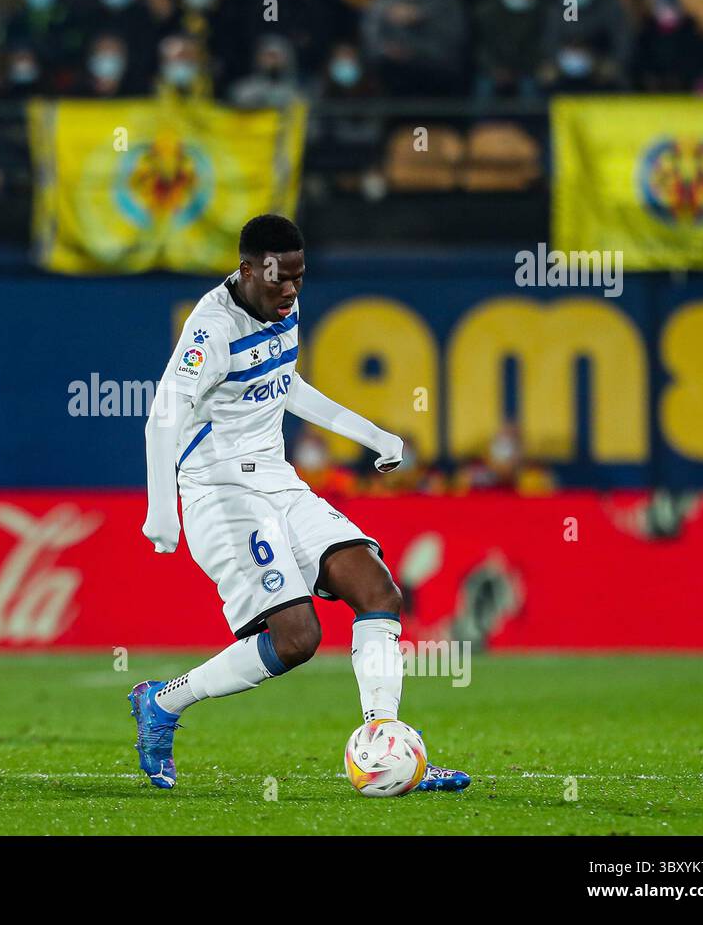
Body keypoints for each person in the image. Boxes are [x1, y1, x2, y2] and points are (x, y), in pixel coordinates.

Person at [131, 214, 470, 792]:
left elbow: (285, 382)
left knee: (378, 589)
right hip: (220, 492)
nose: (290, 292)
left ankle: (385, 743)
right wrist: (161, 510)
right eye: (278, 280)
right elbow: (163, 417)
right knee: (298, 639)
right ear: (246, 270)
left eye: (299, 278)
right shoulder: (210, 330)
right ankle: (162, 702)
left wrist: (374, 436)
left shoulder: (281, 305)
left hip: (278, 480)